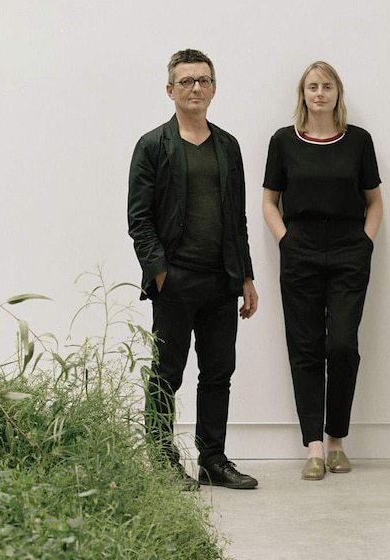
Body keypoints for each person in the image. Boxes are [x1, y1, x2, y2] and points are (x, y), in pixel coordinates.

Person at [127, 48, 259, 490]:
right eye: (186, 82)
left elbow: (237, 217)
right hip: (176, 280)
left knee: (219, 371)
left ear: (214, 88)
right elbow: (139, 220)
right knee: (167, 373)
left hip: (222, 280)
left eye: (203, 80)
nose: (196, 88)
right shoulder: (152, 145)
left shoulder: (228, 146)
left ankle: (213, 459)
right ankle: (162, 459)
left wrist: (245, 276)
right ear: (170, 90)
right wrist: (160, 273)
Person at [262, 61, 383, 480]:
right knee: (306, 346)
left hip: (350, 249)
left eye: (326, 86)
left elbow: (375, 201)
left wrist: (365, 243)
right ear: (302, 94)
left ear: (337, 93)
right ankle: (314, 446)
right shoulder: (282, 141)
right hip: (300, 250)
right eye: (312, 86)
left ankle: (336, 441)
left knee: (343, 345)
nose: (319, 93)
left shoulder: (358, 142)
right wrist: (286, 240)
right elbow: (268, 201)